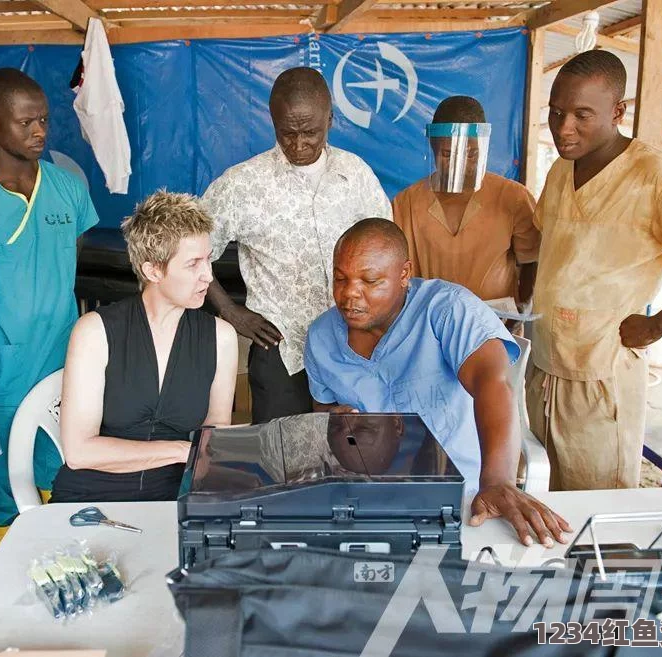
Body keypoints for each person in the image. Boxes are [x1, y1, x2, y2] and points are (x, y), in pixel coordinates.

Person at [529, 50, 662, 491]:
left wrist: (659, 325)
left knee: (597, 509)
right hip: (544, 367)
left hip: (601, 377)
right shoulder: (559, 171)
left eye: (581, 114)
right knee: (542, 498)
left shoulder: (659, 177)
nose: (563, 128)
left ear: (618, 111)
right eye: (556, 113)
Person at [304, 219, 571, 547]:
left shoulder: (447, 309)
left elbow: (493, 383)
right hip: (367, 500)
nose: (348, 295)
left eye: (369, 280)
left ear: (404, 274)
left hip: (463, 496)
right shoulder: (321, 337)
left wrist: (497, 480)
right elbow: (323, 407)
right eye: (340, 278)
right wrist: (336, 417)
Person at [0, 68, 99, 558]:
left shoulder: (67, 189)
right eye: (25, 122)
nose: (39, 132)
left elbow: (70, 258)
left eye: (44, 120)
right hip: (0, 376)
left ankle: (65, 574)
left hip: (65, 366)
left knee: (61, 476)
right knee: (6, 489)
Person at [202, 66, 391, 424]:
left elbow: (387, 253)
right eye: (288, 133)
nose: (299, 145)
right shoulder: (241, 184)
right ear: (272, 122)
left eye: (311, 132)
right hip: (280, 349)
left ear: (331, 119)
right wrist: (229, 310)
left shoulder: (357, 176)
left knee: (351, 447)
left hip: (352, 345)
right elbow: (190, 252)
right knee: (281, 452)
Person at [51, 191, 238, 502]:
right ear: (153, 271)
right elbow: (79, 452)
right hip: (92, 493)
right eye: (193, 264)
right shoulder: (94, 332)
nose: (208, 276)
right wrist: (181, 450)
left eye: (208, 259)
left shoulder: (222, 337)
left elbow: (213, 441)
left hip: (176, 495)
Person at [392, 96, 539, 312]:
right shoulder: (405, 203)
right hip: (428, 324)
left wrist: (520, 306)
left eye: (471, 154)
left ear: (483, 148)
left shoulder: (512, 197)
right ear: (433, 148)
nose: (460, 165)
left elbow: (531, 259)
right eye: (448, 154)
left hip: (496, 325)